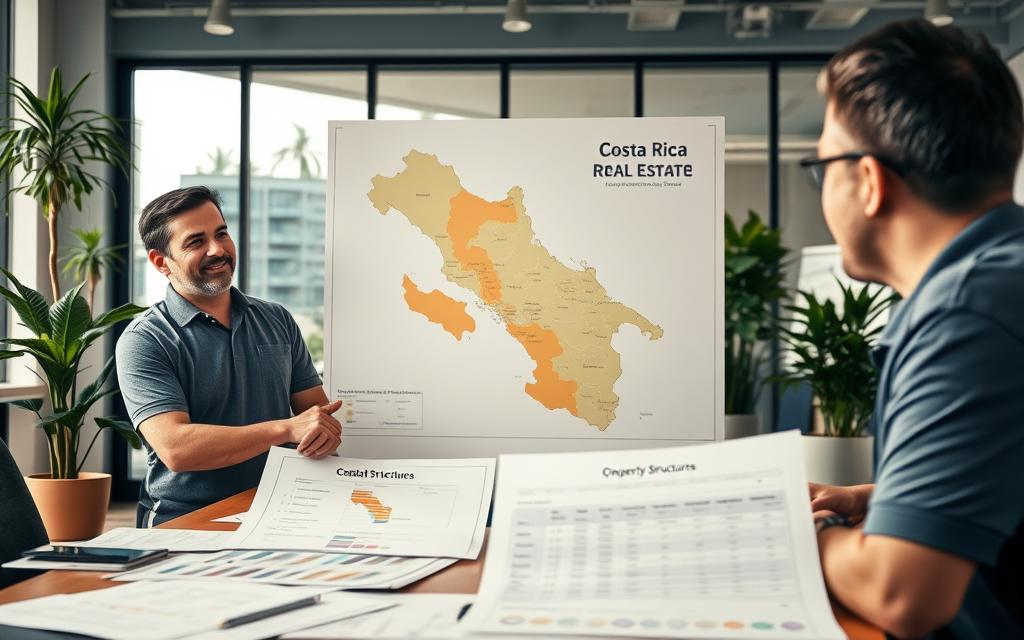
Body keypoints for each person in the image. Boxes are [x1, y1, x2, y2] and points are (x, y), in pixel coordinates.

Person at [803, 20, 1024, 638]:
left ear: (869, 182)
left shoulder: (968, 312)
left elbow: (901, 592)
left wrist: (810, 533)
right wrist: (878, 499)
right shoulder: (1001, 280)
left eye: (822, 167)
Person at [116, 186, 342, 527]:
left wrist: (324, 433)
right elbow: (176, 449)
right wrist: (286, 429)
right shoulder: (145, 340)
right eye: (196, 242)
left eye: (221, 234)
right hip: (185, 517)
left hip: (279, 507)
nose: (217, 249)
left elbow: (314, 415)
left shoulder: (276, 319)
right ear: (161, 262)